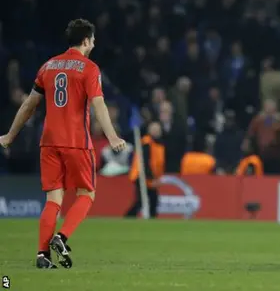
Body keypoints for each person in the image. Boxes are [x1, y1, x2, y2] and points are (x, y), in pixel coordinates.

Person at [0, 19, 126, 269]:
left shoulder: (48, 66)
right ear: (86, 41)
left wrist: (9, 136)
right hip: (76, 141)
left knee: (53, 200)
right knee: (87, 194)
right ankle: (62, 236)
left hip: (48, 143)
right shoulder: (89, 69)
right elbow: (99, 103)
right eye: (92, 39)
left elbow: (29, 105)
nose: (94, 43)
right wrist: (112, 137)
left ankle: (42, 255)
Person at [126, 121, 165, 218]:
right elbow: (145, 162)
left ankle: (151, 219)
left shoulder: (158, 144)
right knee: (141, 201)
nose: (156, 132)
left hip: (149, 177)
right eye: (154, 129)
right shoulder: (146, 143)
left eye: (157, 130)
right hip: (141, 175)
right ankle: (128, 217)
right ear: (149, 131)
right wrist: (152, 178)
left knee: (152, 200)